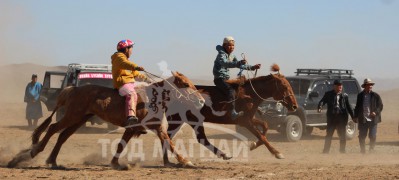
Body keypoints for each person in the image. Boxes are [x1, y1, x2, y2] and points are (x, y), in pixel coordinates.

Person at [213, 36, 261, 120]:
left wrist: (253, 67)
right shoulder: (221, 54)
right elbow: (225, 63)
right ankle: (232, 112)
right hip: (219, 79)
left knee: (241, 89)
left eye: (233, 46)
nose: (231, 47)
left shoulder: (232, 55)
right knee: (230, 91)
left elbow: (240, 65)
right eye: (229, 45)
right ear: (224, 45)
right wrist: (238, 63)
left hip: (226, 79)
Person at [111, 39, 146, 134]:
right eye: (131, 48)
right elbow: (125, 64)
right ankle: (130, 117)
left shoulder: (127, 61)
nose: (132, 51)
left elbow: (136, 74)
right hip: (122, 84)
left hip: (131, 83)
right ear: (126, 49)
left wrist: (146, 79)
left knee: (146, 89)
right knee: (131, 94)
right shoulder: (118, 57)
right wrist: (135, 66)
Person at [318, 80, 354, 153]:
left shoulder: (345, 95)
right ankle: (326, 151)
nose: (340, 87)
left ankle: (342, 150)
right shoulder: (328, 94)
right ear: (334, 86)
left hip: (341, 118)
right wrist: (320, 106)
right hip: (332, 118)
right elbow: (322, 101)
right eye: (338, 85)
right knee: (329, 135)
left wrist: (354, 116)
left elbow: (349, 106)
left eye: (341, 85)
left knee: (342, 136)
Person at [353, 78, 383, 153]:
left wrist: (375, 112)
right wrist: (355, 116)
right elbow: (357, 106)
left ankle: (371, 149)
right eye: (368, 85)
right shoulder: (360, 96)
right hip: (363, 119)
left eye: (371, 85)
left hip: (373, 119)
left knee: (372, 135)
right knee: (362, 136)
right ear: (365, 86)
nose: (370, 86)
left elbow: (380, 106)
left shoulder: (375, 95)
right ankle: (363, 150)